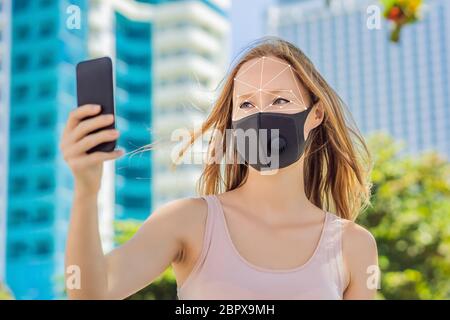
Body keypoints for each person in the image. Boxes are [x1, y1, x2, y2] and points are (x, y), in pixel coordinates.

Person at [62, 38, 378, 300]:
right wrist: (86, 191)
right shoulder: (188, 222)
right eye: (246, 104)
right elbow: (91, 294)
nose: (262, 114)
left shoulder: (353, 245)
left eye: (280, 100)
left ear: (316, 114)